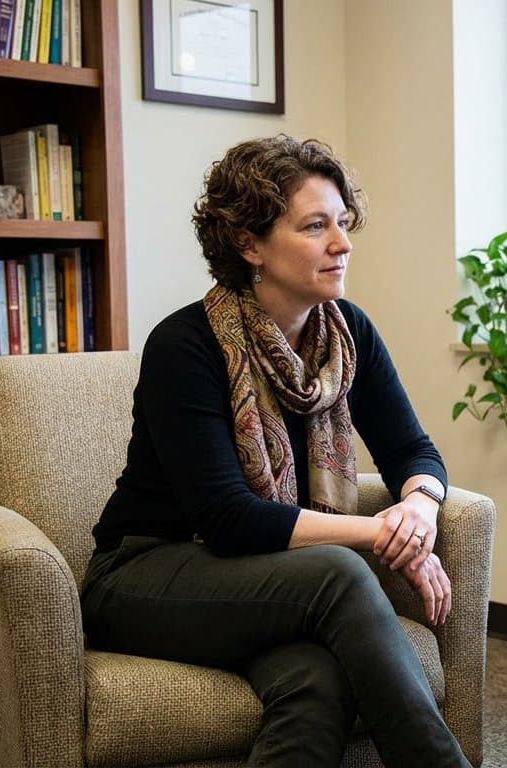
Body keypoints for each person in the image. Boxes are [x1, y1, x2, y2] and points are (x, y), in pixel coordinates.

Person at [81, 135, 470, 767]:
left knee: (316, 682)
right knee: (340, 572)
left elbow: (413, 451)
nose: (342, 244)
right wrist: (377, 534)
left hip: (254, 583)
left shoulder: (347, 337)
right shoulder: (185, 346)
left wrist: (418, 513)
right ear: (249, 243)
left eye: (343, 224)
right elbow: (227, 518)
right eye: (315, 226)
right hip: (142, 577)